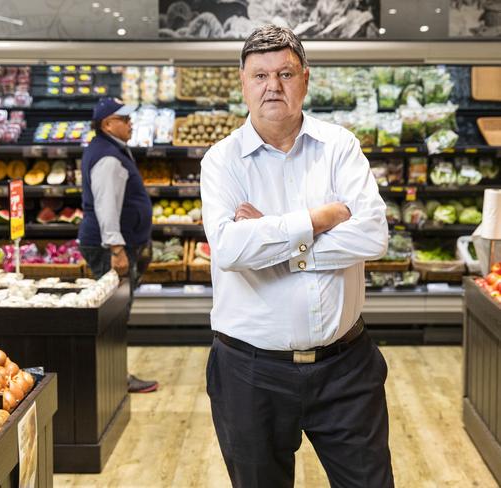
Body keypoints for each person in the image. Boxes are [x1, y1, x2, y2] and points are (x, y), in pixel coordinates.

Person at [200, 25, 393, 487]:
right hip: (249, 374)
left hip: (346, 367)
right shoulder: (221, 161)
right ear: (242, 83)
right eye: (260, 75)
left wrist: (279, 246)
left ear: (305, 79)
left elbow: (372, 237)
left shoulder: (340, 147)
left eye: (285, 73)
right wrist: (319, 217)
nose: (273, 86)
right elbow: (229, 249)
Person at [78, 97, 158, 394]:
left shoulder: (109, 149)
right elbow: (106, 206)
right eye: (123, 119)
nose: (130, 123)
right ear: (107, 124)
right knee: (111, 317)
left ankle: (110, 378)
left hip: (112, 244)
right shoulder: (108, 157)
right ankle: (111, 381)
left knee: (114, 314)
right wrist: (117, 249)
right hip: (108, 247)